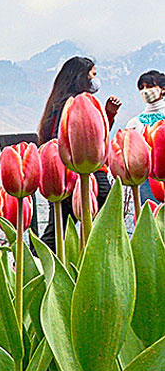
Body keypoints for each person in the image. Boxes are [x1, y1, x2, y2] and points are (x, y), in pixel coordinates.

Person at [39, 56, 121, 251]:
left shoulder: (56, 105)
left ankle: (34, 263)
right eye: (93, 75)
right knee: (104, 221)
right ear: (81, 77)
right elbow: (83, 142)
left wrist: (108, 115)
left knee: (58, 228)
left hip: (63, 175)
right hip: (85, 175)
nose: (95, 80)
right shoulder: (74, 104)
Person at [125, 70, 165, 204]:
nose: (145, 91)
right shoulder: (134, 123)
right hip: (148, 180)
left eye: (150, 86)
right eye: (142, 88)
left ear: (163, 89)